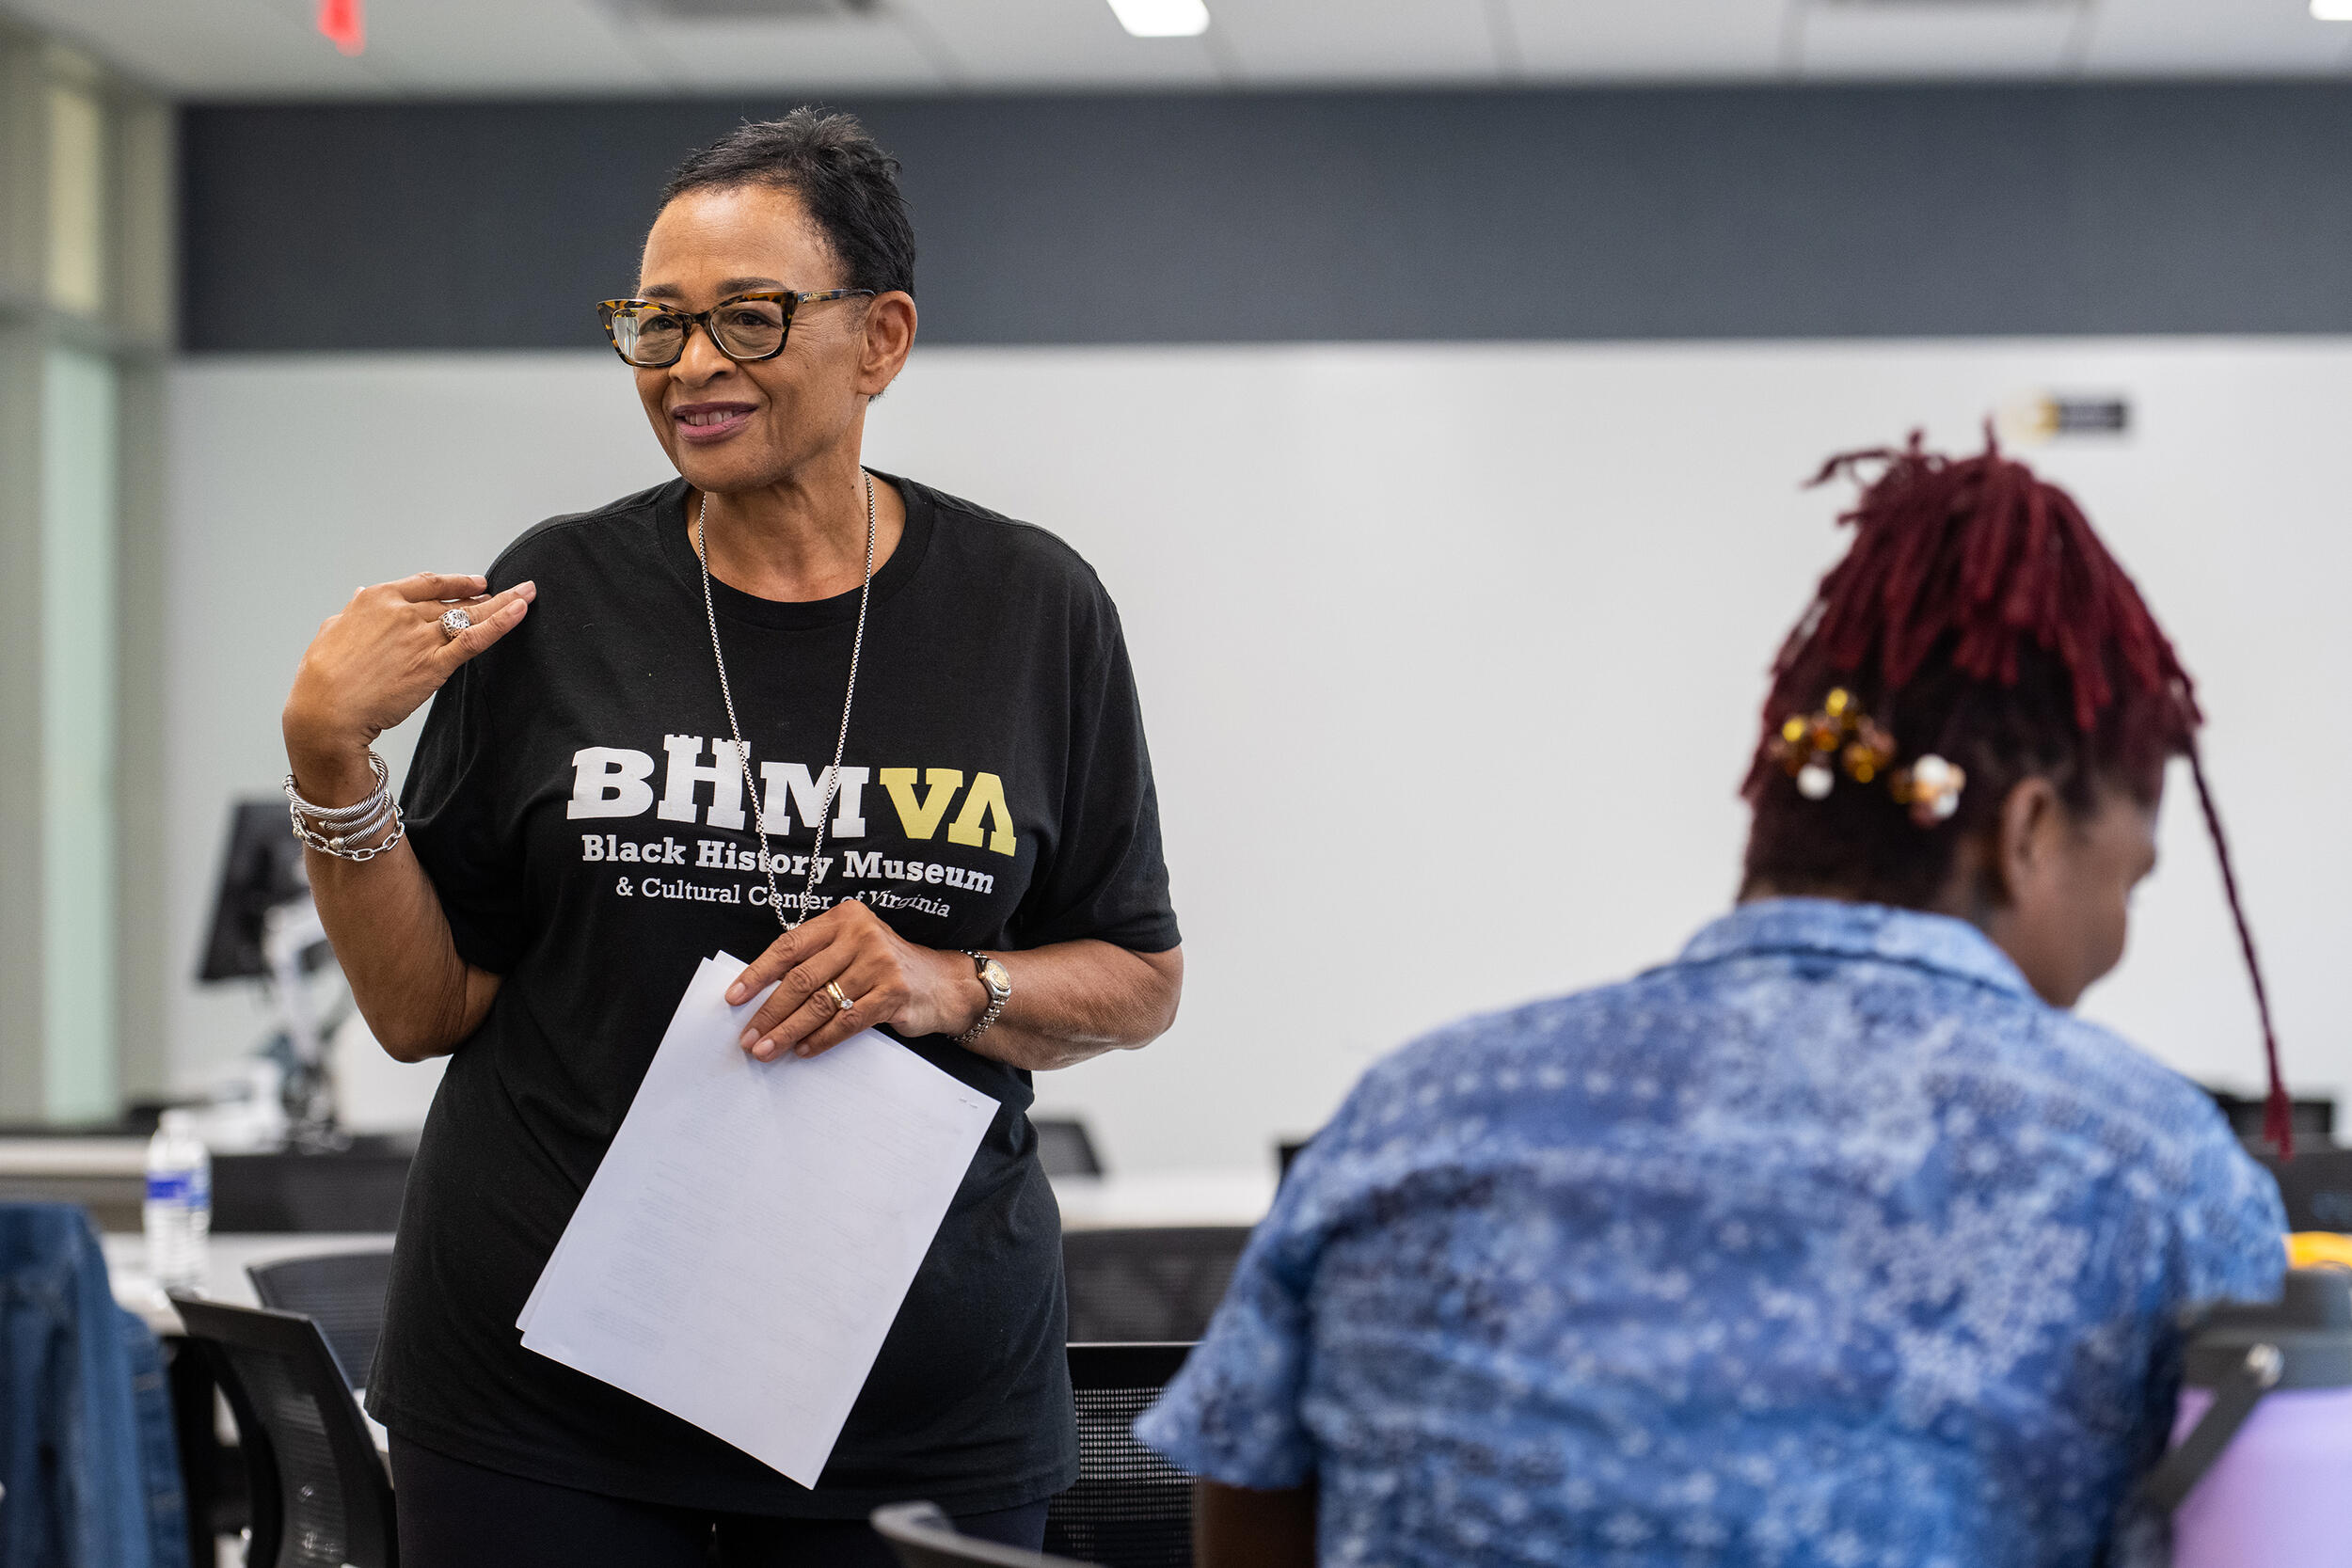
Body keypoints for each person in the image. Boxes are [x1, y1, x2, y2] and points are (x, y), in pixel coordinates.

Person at [278, 109, 1184, 1566]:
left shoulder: (1031, 607)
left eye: (748, 320)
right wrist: (333, 760)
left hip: (908, 1411)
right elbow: (420, 1005)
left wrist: (957, 981)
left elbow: (1140, 975)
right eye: (656, 323)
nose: (690, 366)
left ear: (879, 337)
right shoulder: (557, 591)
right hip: (539, 1403)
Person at [1137, 436, 2287, 1567]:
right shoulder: (2157, 1177)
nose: (2117, 939)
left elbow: (1247, 1504)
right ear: (2029, 832)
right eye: (2127, 881)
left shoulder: (1407, 1115)